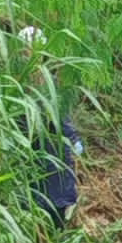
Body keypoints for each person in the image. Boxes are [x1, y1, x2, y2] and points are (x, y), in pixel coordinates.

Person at [18, 26, 84, 230]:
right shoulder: (18, 83)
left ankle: (54, 238)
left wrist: (73, 140)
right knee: (35, 199)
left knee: (54, 200)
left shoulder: (49, 82)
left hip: (52, 151)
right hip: (31, 151)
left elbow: (62, 117)